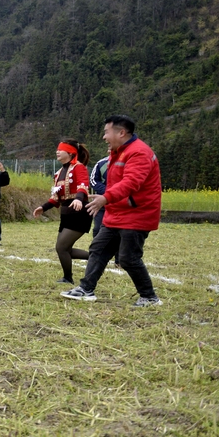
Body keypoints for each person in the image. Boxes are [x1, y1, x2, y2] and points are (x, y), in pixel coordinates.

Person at [62, 115, 163, 306]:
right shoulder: (118, 152)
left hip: (137, 214)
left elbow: (131, 183)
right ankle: (86, 289)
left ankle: (149, 297)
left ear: (121, 132)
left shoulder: (139, 153)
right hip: (116, 212)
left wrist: (105, 198)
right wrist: (106, 198)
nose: (104, 137)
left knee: (128, 258)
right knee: (98, 248)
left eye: (106, 132)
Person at [32, 139, 92, 285]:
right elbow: (56, 198)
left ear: (71, 152)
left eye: (61, 149)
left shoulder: (79, 168)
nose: (57, 152)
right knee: (64, 249)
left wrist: (79, 198)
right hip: (66, 214)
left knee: (61, 247)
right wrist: (43, 207)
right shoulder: (58, 173)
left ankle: (68, 278)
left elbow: (83, 185)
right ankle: (98, 256)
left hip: (78, 212)